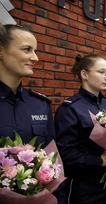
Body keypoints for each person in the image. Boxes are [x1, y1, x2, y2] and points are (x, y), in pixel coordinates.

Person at [0, 24, 66, 203]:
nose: (35, 58)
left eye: (35, 51)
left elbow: (53, 160)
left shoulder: (39, 104)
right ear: (1, 51)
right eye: (27, 50)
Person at [55, 54, 106, 204]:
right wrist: (99, 160)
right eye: (101, 72)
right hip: (85, 185)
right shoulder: (70, 108)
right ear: (84, 74)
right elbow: (64, 153)